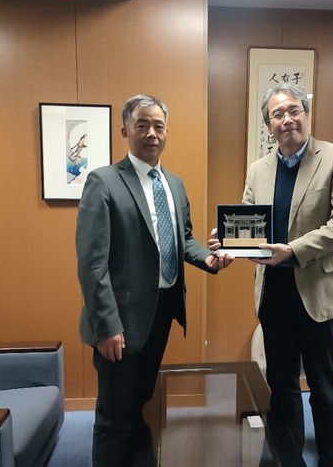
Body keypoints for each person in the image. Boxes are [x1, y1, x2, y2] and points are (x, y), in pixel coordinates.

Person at [76, 94, 231, 467]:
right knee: (114, 417)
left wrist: (209, 258)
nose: (151, 133)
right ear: (125, 131)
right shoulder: (103, 182)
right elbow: (92, 264)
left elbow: (183, 239)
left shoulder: (173, 184)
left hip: (161, 312)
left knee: (143, 406)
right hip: (119, 321)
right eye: (142, 124)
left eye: (158, 126)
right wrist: (107, 326)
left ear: (166, 131)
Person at [216, 83, 333, 466]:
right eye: (277, 114)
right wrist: (229, 241)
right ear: (269, 125)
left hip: (319, 293)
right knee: (281, 388)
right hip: (274, 295)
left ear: (306, 114)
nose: (287, 120)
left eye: (293, 110)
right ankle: (289, 460)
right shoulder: (258, 169)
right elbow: (248, 222)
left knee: (324, 389)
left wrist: (292, 250)